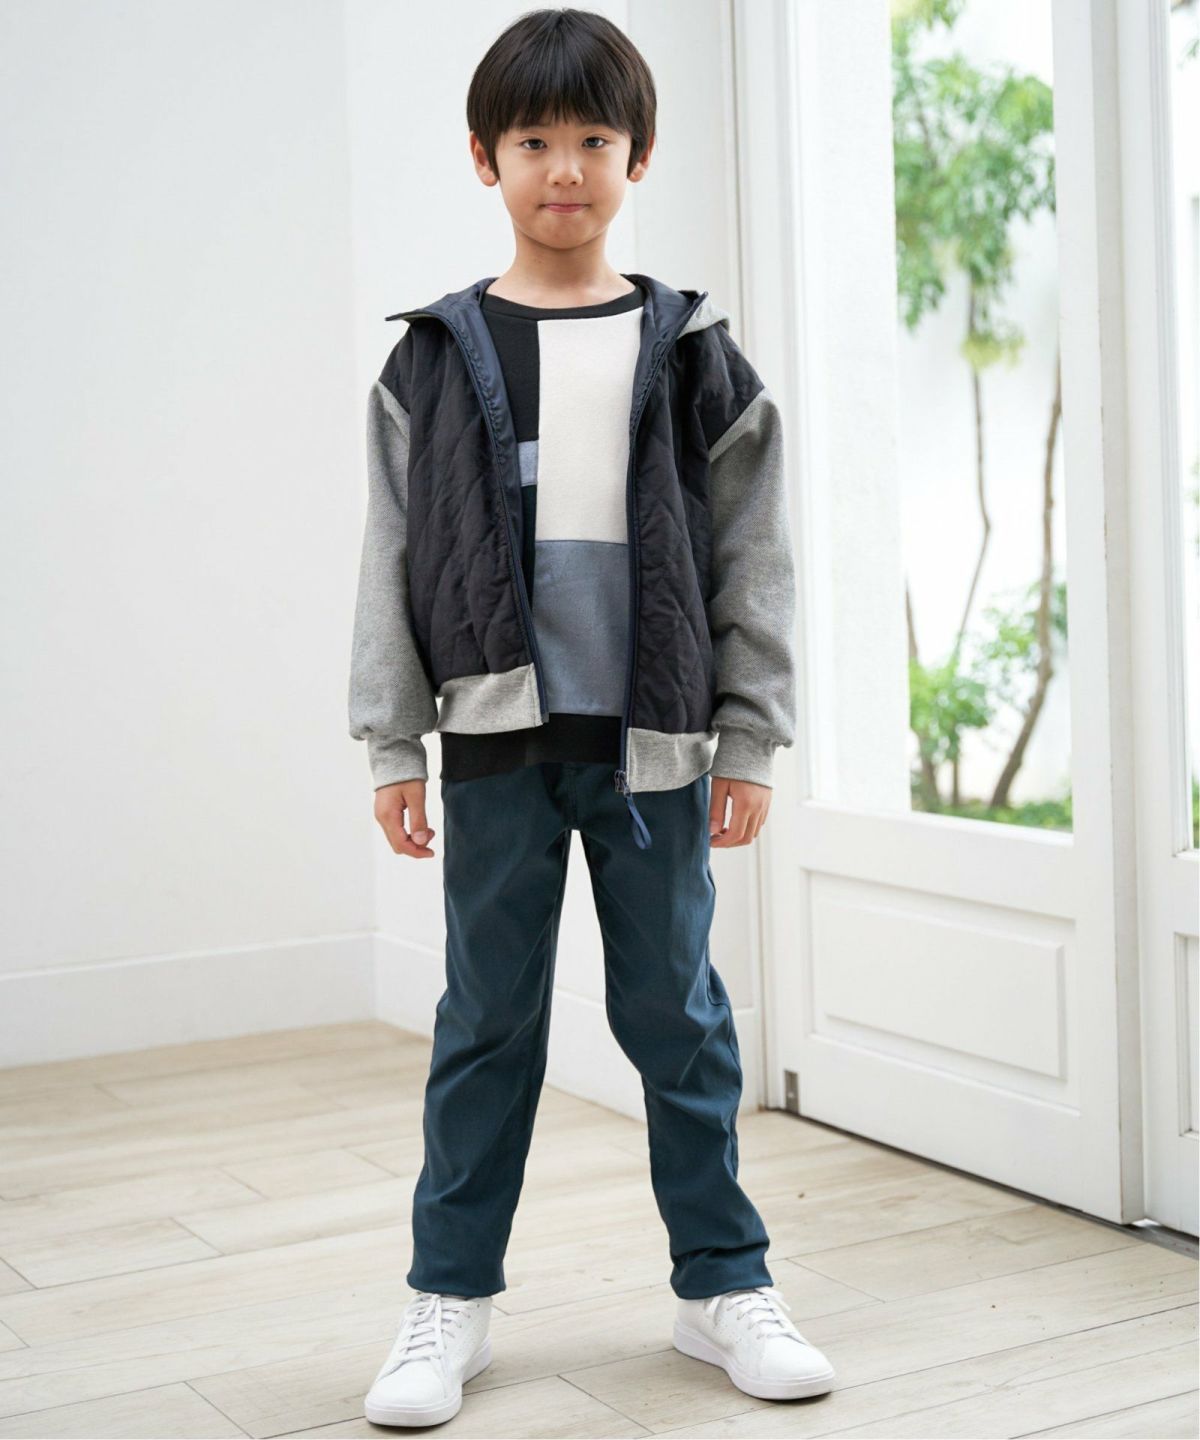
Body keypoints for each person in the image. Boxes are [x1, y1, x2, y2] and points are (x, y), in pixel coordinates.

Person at [347, 7, 836, 1428]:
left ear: (639, 156)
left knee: (678, 1020)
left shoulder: (692, 351)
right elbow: (389, 559)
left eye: (594, 140)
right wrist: (392, 743)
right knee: (485, 1025)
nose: (565, 169)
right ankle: (449, 1301)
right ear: (484, 158)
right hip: (495, 747)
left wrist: (752, 735)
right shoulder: (433, 358)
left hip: (656, 750)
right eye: (534, 142)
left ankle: (722, 1288)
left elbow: (755, 558)